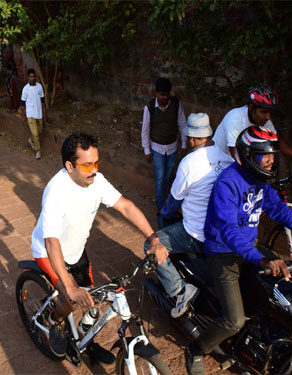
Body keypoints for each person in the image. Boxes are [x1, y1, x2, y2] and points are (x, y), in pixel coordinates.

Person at [184, 125, 292, 375]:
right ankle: (197, 349)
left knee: (283, 293)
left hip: (251, 251)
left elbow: (281, 211)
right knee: (234, 320)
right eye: (266, 155)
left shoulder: (261, 183)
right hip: (224, 254)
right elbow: (228, 230)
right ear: (248, 156)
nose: (271, 160)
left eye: (273, 155)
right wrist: (261, 259)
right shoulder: (228, 183)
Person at [31, 131, 168, 360]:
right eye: (86, 165)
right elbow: (51, 241)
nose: (94, 169)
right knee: (70, 300)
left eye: (96, 162)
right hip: (48, 252)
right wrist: (69, 285)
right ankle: (56, 321)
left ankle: (86, 342)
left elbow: (125, 207)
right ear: (69, 166)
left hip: (76, 251)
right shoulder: (56, 191)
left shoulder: (97, 181)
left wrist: (154, 239)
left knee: (92, 304)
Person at [145, 113, 233, 318]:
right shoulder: (226, 157)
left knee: (152, 244)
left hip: (195, 234)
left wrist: (164, 214)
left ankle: (179, 291)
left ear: (191, 138)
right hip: (224, 232)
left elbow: (174, 200)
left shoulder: (189, 163)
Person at [212, 84, 292, 172]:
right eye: (264, 112)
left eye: (270, 112)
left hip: (243, 161)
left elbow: (278, 141)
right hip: (221, 161)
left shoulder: (263, 120)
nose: (268, 117)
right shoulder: (235, 118)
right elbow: (235, 153)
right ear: (251, 107)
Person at [141, 78, 187, 222]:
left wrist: (184, 144)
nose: (164, 98)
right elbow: (145, 131)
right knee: (160, 177)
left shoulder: (176, 104)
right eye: (161, 95)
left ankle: (164, 202)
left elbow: (182, 124)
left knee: (168, 177)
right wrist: (147, 150)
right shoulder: (149, 108)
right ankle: (161, 207)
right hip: (157, 149)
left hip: (172, 147)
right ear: (155, 93)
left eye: (166, 94)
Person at [19, 68, 46, 160]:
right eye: (31, 77)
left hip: (39, 113)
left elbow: (42, 100)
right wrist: (23, 116)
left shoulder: (39, 86)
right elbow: (22, 103)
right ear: (28, 78)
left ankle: (31, 140)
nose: (33, 78)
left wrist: (44, 111)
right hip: (30, 114)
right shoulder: (25, 89)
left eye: (34, 76)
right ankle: (37, 151)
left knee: (39, 132)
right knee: (35, 133)